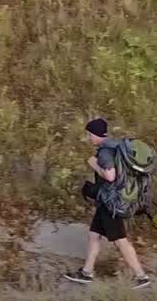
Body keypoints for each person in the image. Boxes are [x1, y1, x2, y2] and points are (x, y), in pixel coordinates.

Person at [63, 118, 151, 289]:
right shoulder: (116, 146)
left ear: (96, 135)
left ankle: (141, 277)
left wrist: (94, 164)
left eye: (89, 134)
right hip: (108, 201)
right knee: (94, 235)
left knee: (120, 240)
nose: (88, 138)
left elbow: (110, 176)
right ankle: (86, 273)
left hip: (112, 203)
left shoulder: (104, 152)